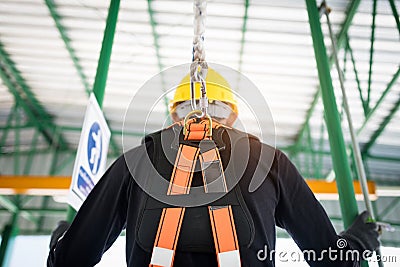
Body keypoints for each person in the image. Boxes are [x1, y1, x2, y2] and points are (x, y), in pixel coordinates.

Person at [47, 68, 380, 267]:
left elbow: (70, 261)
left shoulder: (137, 163)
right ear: (233, 114)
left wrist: (62, 238)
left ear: (174, 114)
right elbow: (330, 258)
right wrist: (361, 239)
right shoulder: (269, 163)